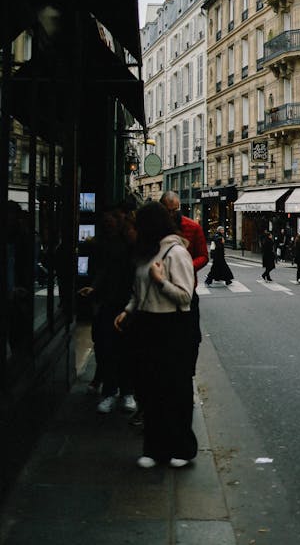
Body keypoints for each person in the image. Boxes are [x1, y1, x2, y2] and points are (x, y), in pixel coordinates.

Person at [114, 202, 198, 469]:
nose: (135, 228)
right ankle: (154, 446)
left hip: (172, 327)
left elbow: (185, 297)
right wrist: (128, 310)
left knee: (174, 389)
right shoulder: (145, 252)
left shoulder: (176, 253)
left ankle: (181, 448)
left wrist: (161, 281)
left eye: (139, 223)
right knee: (149, 388)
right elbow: (138, 291)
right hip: (146, 324)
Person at [79, 207, 137, 414]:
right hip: (111, 301)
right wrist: (95, 288)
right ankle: (114, 392)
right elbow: (104, 271)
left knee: (123, 349)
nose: (109, 223)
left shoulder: (129, 245)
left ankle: (124, 392)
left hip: (126, 302)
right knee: (110, 348)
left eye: (112, 219)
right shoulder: (108, 245)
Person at [160, 191, 208, 375]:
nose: (172, 214)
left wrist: (186, 266)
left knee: (191, 338)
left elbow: (203, 256)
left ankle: (188, 374)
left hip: (187, 291)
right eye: (168, 210)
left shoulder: (193, 228)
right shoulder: (155, 229)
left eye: (176, 210)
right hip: (162, 293)